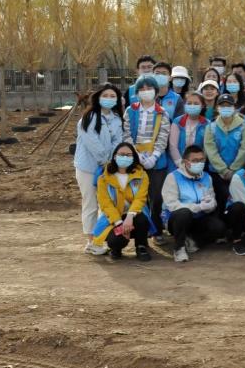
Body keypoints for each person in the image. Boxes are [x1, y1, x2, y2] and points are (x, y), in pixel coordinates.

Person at [74, 84, 125, 254]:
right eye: (105, 95)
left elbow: (118, 141)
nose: (109, 99)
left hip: (109, 167)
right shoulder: (89, 118)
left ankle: (101, 237)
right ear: (98, 97)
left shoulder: (117, 119)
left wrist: (112, 162)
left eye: (113, 96)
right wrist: (106, 160)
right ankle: (91, 241)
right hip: (88, 168)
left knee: (106, 203)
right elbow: (92, 142)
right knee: (90, 203)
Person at [124, 74, 172, 242]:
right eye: (142, 89)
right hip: (134, 160)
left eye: (149, 88)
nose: (146, 91)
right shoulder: (130, 111)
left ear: (156, 91)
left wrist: (154, 157)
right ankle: (141, 233)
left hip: (157, 162)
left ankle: (157, 231)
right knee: (138, 197)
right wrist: (136, 155)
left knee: (156, 198)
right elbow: (127, 134)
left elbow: (163, 137)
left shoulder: (162, 113)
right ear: (137, 92)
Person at [161, 145, 225, 263]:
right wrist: (198, 207)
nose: (199, 163)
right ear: (186, 162)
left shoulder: (207, 177)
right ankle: (179, 248)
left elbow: (212, 198)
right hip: (176, 219)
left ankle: (193, 241)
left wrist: (210, 204)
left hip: (198, 218)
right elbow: (172, 205)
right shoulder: (173, 177)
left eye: (202, 160)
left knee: (218, 227)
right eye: (195, 160)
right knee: (184, 213)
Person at [92, 142, 152, 261]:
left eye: (129, 155)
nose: (125, 157)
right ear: (115, 156)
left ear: (134, 157)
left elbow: (140, 199)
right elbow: (106, 204)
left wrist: (130, 216)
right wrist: (119, 223)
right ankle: (116, 248)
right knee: (116, 240)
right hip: (114, 218)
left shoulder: (142, 175)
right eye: (121, 154)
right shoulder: (103, 178)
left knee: (142, 219)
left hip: (133, 215)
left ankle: (141, 246)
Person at [203, 93, 245, 212]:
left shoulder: (244, 126)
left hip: (238, 172)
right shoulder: (211, 127)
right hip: (216, 172)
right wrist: (223, 170)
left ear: (234, 107)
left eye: (229, 105)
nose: (225, 108)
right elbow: (211, 150)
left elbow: (244, 149)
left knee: (236, 201)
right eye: (222, 105)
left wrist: (233, 169)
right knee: (219, 201)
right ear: (217, 108)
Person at [167, 91, 209, 171]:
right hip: (177, 166)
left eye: (196, 103)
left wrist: (198, 164)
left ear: (202, 106)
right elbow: (173, 146)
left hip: (198, 166)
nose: (192, 106)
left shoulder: (207, 124)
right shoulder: (177, 121)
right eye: (189, 103)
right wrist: (181, 164)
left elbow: (206, 148)